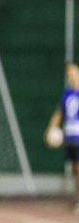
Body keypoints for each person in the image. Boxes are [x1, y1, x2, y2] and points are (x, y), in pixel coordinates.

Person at [45, 62, 79, 214]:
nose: (71, 77)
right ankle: (77, 199)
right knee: (74, 170)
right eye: (69, 75)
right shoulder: (66, 95)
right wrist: (51, 128)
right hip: (69, 137)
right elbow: (59, 114)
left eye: (73, 74)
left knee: (78, 168)